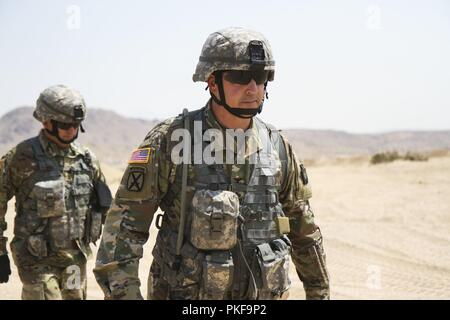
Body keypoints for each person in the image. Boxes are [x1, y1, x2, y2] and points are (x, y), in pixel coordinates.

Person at [94, 27, 330, 300]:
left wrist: (319, 293)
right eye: (240, 77)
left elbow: (304, 232)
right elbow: (122, 233)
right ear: (212, 81)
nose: (253, 88)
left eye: (260, 76)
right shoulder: (171, 141)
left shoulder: (278, 148)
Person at [0, 84, 112, 299]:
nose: (72, 130)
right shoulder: (22, 157)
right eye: (65, 124)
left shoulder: (87, 159)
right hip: (36, 260)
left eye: (76, 124)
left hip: (74, 260)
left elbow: (107, 207)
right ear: (46, 121)